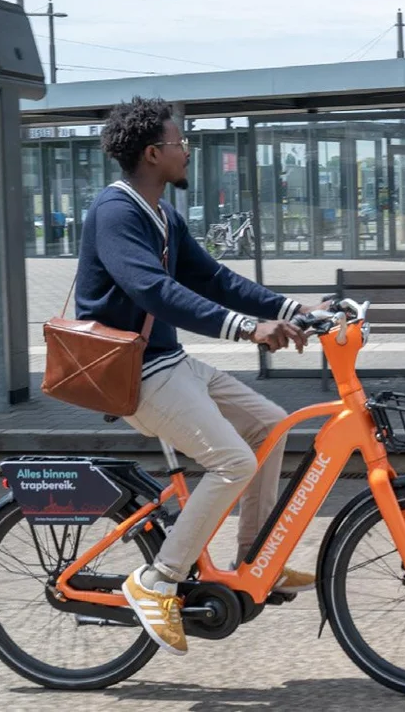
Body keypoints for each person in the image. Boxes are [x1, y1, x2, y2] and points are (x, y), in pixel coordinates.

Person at [75, 96, 318, 656]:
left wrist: (288, 310)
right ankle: (157, 579)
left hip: (170, 363)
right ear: (155, 153)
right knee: (232, 460)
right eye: (181, 142)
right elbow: (154, 290)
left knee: (272, 425)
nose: (189, 150)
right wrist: (244, 330)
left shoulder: (162, 213)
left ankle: (255, 557)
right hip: (134, 374)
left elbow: (213, 278)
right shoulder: (115, 213)